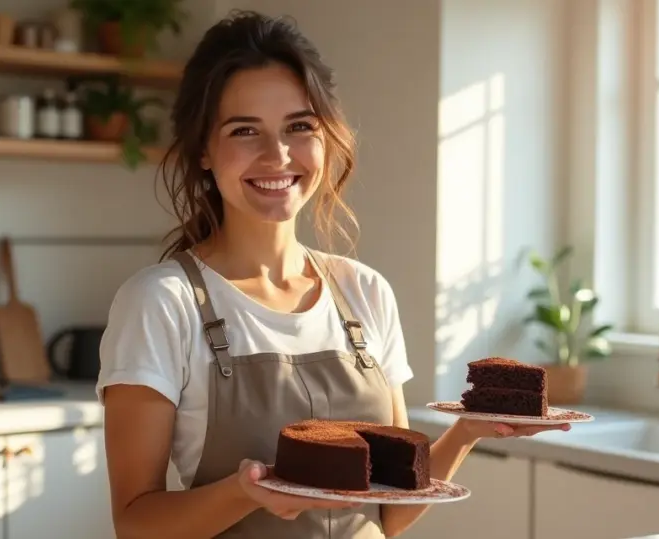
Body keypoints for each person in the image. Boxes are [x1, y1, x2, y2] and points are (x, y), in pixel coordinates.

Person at [96, 10, 570, 539]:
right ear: (204, 150)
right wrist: (241, 492)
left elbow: (390, 513)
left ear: (327, 137)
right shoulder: (161, 302)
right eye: (244, 130)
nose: (277, 155)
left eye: (299, 127)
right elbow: (135, 524)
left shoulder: (363, 292)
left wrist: (464, 433)